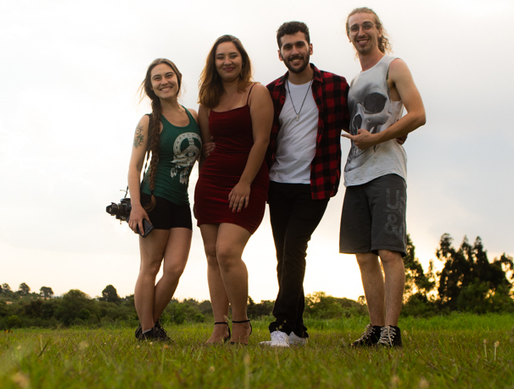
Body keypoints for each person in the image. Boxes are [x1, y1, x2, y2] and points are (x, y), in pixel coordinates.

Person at [339, 8, 426, 348]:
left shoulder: (394, 66)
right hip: (356, 173)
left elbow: (418, 113)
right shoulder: (354, 82)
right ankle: (374, 328)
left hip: (387, 170)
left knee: (389, 252)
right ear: (349, 36)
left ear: (378, 30)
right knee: (363, 255)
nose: (361, 32)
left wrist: (381, 136)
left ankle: (392, 330)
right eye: (354, 28)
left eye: (366, 26)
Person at [260, 21, 350, 348]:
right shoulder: (271, 93)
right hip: (277, 185)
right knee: (284, 257)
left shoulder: (336, 86)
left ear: (310, 48)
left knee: (294, 248)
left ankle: (280, 327)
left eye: (299, 45)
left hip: (315, 184)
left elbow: (361, 120)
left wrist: (396, 129)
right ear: (280, 53)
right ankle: (298, 332)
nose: (294, 52)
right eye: (287, 47)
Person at [193, 35, 273, 345]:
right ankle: (219, 325)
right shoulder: (207, 101)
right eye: (220, 57)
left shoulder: (257, 92)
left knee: (227, 252)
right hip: (211, 181)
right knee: (212, 255)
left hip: (246, 181)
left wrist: (244, 182)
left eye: (233, 56)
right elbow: (205, 146)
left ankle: (240, 322)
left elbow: (262, 141)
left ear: (243, 60)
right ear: (213, 63)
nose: (227, 61)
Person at [127, 58, 202, 342]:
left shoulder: (194, 116)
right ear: (151, 87)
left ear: (178, 78)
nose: (164, 81)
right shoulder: (148, 122)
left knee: (174, 269)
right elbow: (134, 167)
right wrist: (136, 206)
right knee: (150, 267)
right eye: (157, 78)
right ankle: (148, 330)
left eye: (168, 75)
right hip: (153, 200)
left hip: (181, 203)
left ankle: (147, 326)